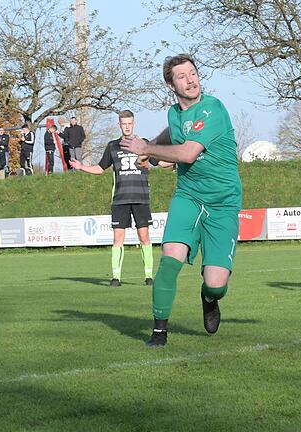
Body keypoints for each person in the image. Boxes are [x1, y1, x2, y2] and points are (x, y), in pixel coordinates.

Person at [120, 54, 242, 347]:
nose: (191, 80)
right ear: (170, 85)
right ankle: (159, 331)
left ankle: (209, 298)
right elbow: (172, 132)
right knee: (169, 261)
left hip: (223, 203)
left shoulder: (212, 108)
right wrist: (152, 149)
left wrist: (146, 147)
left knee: (217, 284)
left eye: (193, 73)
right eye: (182, 76)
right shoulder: (174, 113)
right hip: (188, 196)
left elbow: (187, 153)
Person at [71, 110, 156, 287]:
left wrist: (177, 158)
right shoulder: (113, 146)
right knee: (118, 239)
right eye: (124, 124)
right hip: (120, 199)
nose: (127, 127)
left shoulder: (143, 144)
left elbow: (157, 162)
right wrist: (81, 167)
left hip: (141, 198)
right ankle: (116, 277)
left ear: (133, 124)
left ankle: (149, 276)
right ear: (120, 125)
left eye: (129, 123)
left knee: (144, 237)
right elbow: (101, 168)